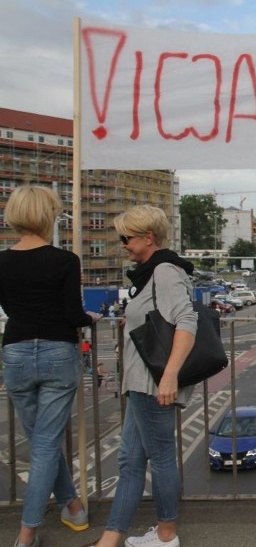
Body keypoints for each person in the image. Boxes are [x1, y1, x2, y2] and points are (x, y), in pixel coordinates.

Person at [84, 205, 198, 547]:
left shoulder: (164, 270)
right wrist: (131, 321)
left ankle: (166, 536)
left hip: (152, 382)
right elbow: (156, 316)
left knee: (160, 458)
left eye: (127, 238)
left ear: (148, 238)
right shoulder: (152, 272)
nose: (123, 244)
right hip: (140, 381)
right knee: (129, 460)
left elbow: (186, 322)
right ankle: (112, 537)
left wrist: (170, 376)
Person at [0, 185, 102, 547]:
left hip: (15, 352)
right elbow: (72, 314)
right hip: (59, 354)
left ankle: (73, 506)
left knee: (41, 441)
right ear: (49, 216)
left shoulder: (1, 260)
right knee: (45, 443)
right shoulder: (64, 260)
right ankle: (27, 534)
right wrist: (90, 316)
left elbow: (11, 309)